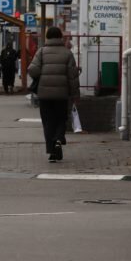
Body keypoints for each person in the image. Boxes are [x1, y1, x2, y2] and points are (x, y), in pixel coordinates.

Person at [27, 25, 79, 162]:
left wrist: (42, 74)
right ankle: (58, 139)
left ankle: (51, 152)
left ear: (47, 37)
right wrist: (74, 94)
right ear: (60, 37)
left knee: (48, 122)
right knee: (61, 119)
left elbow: (32, 70)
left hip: (44, 94)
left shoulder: (41, 52)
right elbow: (72, 76)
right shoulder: (67, 53)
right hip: (62, 94)